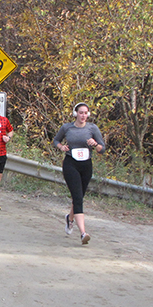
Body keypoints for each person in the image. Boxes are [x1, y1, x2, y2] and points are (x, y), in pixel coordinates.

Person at [53, 102, 105, 245]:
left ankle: (70, 219)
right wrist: (61, 147)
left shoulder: (92, 128)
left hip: (86, 165)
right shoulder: (67, 127)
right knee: (77, 197)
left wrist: (95, 144)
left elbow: (102, 149)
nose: (83, 115)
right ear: (75, 113)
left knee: (79, 196)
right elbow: (56, 140)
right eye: (81, 113)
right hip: (71, 164)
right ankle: (83, 233)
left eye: (86, 113)